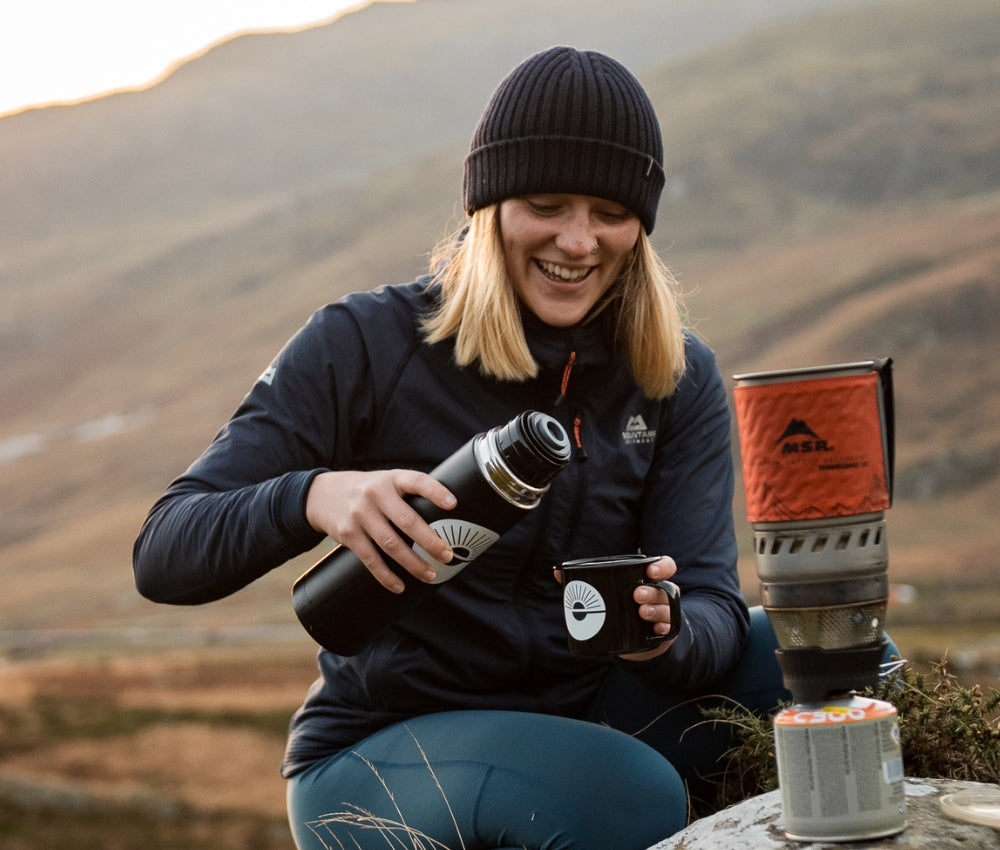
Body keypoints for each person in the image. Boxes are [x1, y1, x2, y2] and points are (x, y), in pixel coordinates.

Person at [134, 46, 784, 849]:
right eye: (546, 204)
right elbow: (165, 552)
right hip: (383, 748)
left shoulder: (673, 376)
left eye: (611, 213)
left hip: (589, 712)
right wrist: (313, 496)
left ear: (641, 226)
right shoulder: (365, 342)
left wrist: (665, 635)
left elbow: (716, 605)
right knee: (622, 794)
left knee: (825, 656)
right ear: (491, 206)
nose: (579, 242)